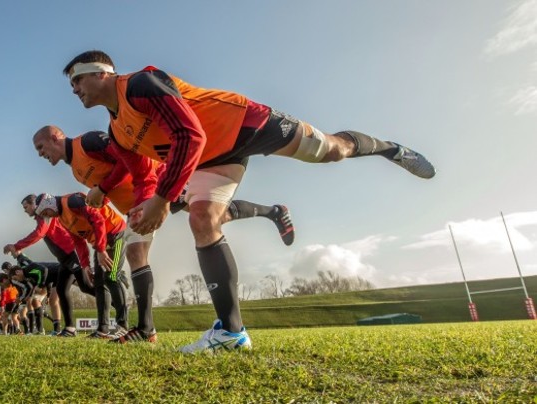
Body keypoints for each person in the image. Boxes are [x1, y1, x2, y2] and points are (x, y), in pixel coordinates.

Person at [62, 50, 437, 353]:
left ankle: (390, 149)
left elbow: (188, 135)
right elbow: (144, 176)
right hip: (214, 158)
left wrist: (161, 200)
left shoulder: (140, 84)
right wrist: (146, 205)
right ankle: (232, 332)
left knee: (332, 150)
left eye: (77, 78)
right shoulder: (116, 132)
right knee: (202, 219)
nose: (75, 88)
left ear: (102, 73)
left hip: (246, 123)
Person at [32, 126, 294, 344]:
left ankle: (272, 211)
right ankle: (146, 330)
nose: (40, 154)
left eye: (41, 147)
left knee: (214, 215)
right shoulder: (74, 168)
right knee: (139, 251)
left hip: (157, 187)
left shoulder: (87, 142)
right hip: (137, 206)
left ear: (55, 136)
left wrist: (103, 188)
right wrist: (105, 195)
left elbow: (130, 159)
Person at [35, 192, 129, 339]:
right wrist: (85, 265)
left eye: (46, 211)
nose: (48, 215)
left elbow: (97, 219)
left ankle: (123, 326)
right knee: (99, 283)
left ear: (49, 203)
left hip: (114, 234)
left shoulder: (72, 201)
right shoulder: (62, 218)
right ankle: (102, 330)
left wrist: (101, 249)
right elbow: (78, 241)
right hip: (100, 243)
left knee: (111, 277)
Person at [3, 194, 89, 335]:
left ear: (34, 205)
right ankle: (69, 329)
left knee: (86, 286)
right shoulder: (42, 216)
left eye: (26, 207)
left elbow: (39, 234)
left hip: (71, 255)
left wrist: (16, 246)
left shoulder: (44, 215)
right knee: (62, 290)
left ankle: (113, 307)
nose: (25, 210)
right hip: (64, 259)